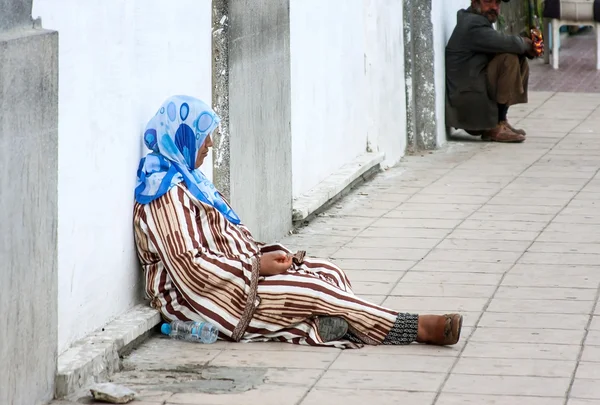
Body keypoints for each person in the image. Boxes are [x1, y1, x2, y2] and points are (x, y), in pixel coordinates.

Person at [133, 96, 463, 349]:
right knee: (315, 291)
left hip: (235, 276)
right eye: (203, 137)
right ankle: (414, 328)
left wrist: (266, 258)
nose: (209, 145)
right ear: (181, 137)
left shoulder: (188, 179)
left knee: (329, 273)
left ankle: (320, 327)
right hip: (201, 297)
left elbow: (229, 237)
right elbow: (190, 268)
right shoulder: (163, 192)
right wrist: (255, 266)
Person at [446, 0, 539, 143]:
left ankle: (501, 121)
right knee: (508, 59)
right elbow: (508, 43)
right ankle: (495, 127)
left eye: (498, 3)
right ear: (475, 2)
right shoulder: (472, 25)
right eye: (489, 1)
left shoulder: (478, 21)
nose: (494, 7)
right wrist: (527, 44)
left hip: (475, 94)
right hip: (469, 105)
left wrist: (529, 49)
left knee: (517, 57)